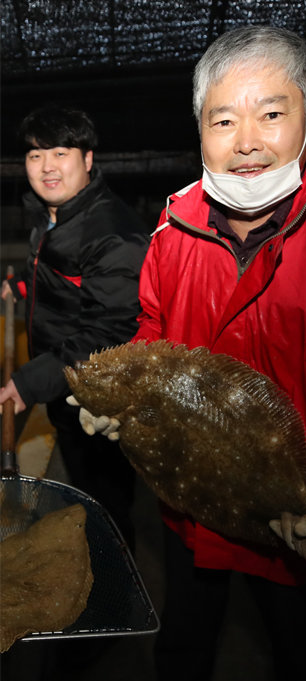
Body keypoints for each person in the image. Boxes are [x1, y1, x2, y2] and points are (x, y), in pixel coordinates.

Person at [75, 26, 306, 681]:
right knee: (183, 646)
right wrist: (125, 392)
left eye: (271, 114)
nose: (246, 141)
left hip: (298, 513)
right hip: (191, 506)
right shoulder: (171, 230)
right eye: (223, 119)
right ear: (200, 128)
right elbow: (153, 338)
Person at [0, 105, 149, 550]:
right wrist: (23, 288)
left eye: (60, 153)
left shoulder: (112, 234)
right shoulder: (55, 214)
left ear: (87, 159)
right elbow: (60, 277)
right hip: (64, 387)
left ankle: (115, 596)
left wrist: (28, 382)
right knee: (82, 495)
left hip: (97, 403)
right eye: (35, 156)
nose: (47, 167)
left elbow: (110, 334)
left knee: (105, 506)